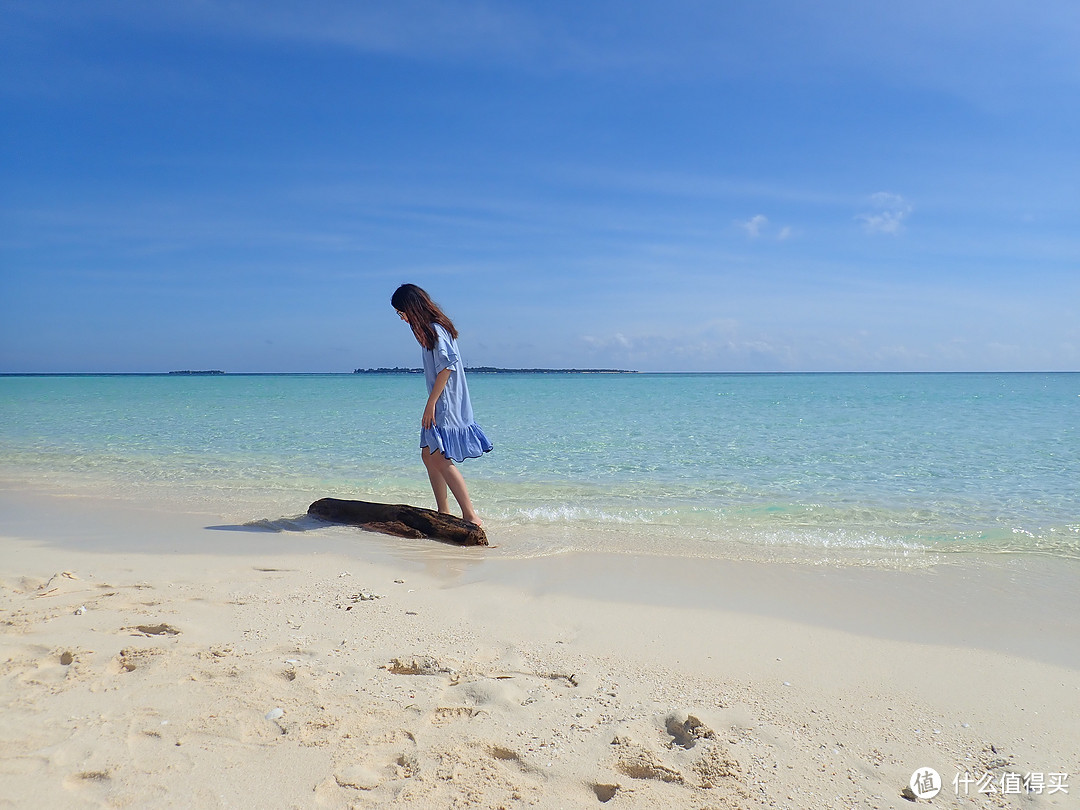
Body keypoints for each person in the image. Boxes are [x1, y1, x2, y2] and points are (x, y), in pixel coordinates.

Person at [391, 283, 492, 526]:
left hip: (445, 403)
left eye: (401, 312)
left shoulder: (436, 330)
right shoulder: (431, 332)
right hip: (441, 401)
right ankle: (444, 511)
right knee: (429, 455)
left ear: (411, 308)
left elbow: (447, 367)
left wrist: (431, 404)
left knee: (438, 457)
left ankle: (470, 516)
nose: (402, 318)